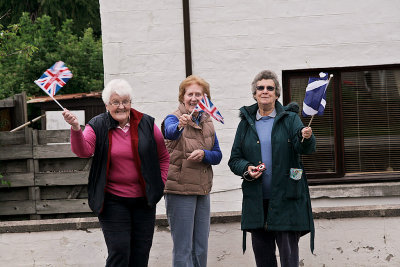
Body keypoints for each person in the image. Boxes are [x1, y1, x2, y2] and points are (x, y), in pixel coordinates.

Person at [62, 79, 170, 267]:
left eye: (125, 101)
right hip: (112, 200)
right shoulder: (97, 125)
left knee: (141, 253)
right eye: (115, 102)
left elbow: (163, 157)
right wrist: (76, 129)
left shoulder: (147, 124)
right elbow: (84, 151)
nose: (121, 107)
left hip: (144, 201)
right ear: (107, 105)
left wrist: (159, 183)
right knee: (119, 251)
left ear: (130, 103)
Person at [228, 70, 316, 267]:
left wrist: (306, 136)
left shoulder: (290, 119)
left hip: (286, 200)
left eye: (270, 88)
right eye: (260, 88)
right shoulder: (245, 124)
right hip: (257, 203)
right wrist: (247, 168)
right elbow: (234, 160)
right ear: (254, 94)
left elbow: (304, 148)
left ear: (277, 94)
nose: (265, 91)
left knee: (289, 260)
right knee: (263, 260)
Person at [161, 75, 222, 267]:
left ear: (205, 98)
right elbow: (169, 132)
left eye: (199, 94)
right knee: (183, 248)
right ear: (182, 97)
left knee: (201, 247)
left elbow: (218, 155)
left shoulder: (207, 122)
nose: (194, 98)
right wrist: (180, 124)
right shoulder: (173, 118)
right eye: (190, 94)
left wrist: (204, 154)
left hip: (202, 190)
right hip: (179, 191)